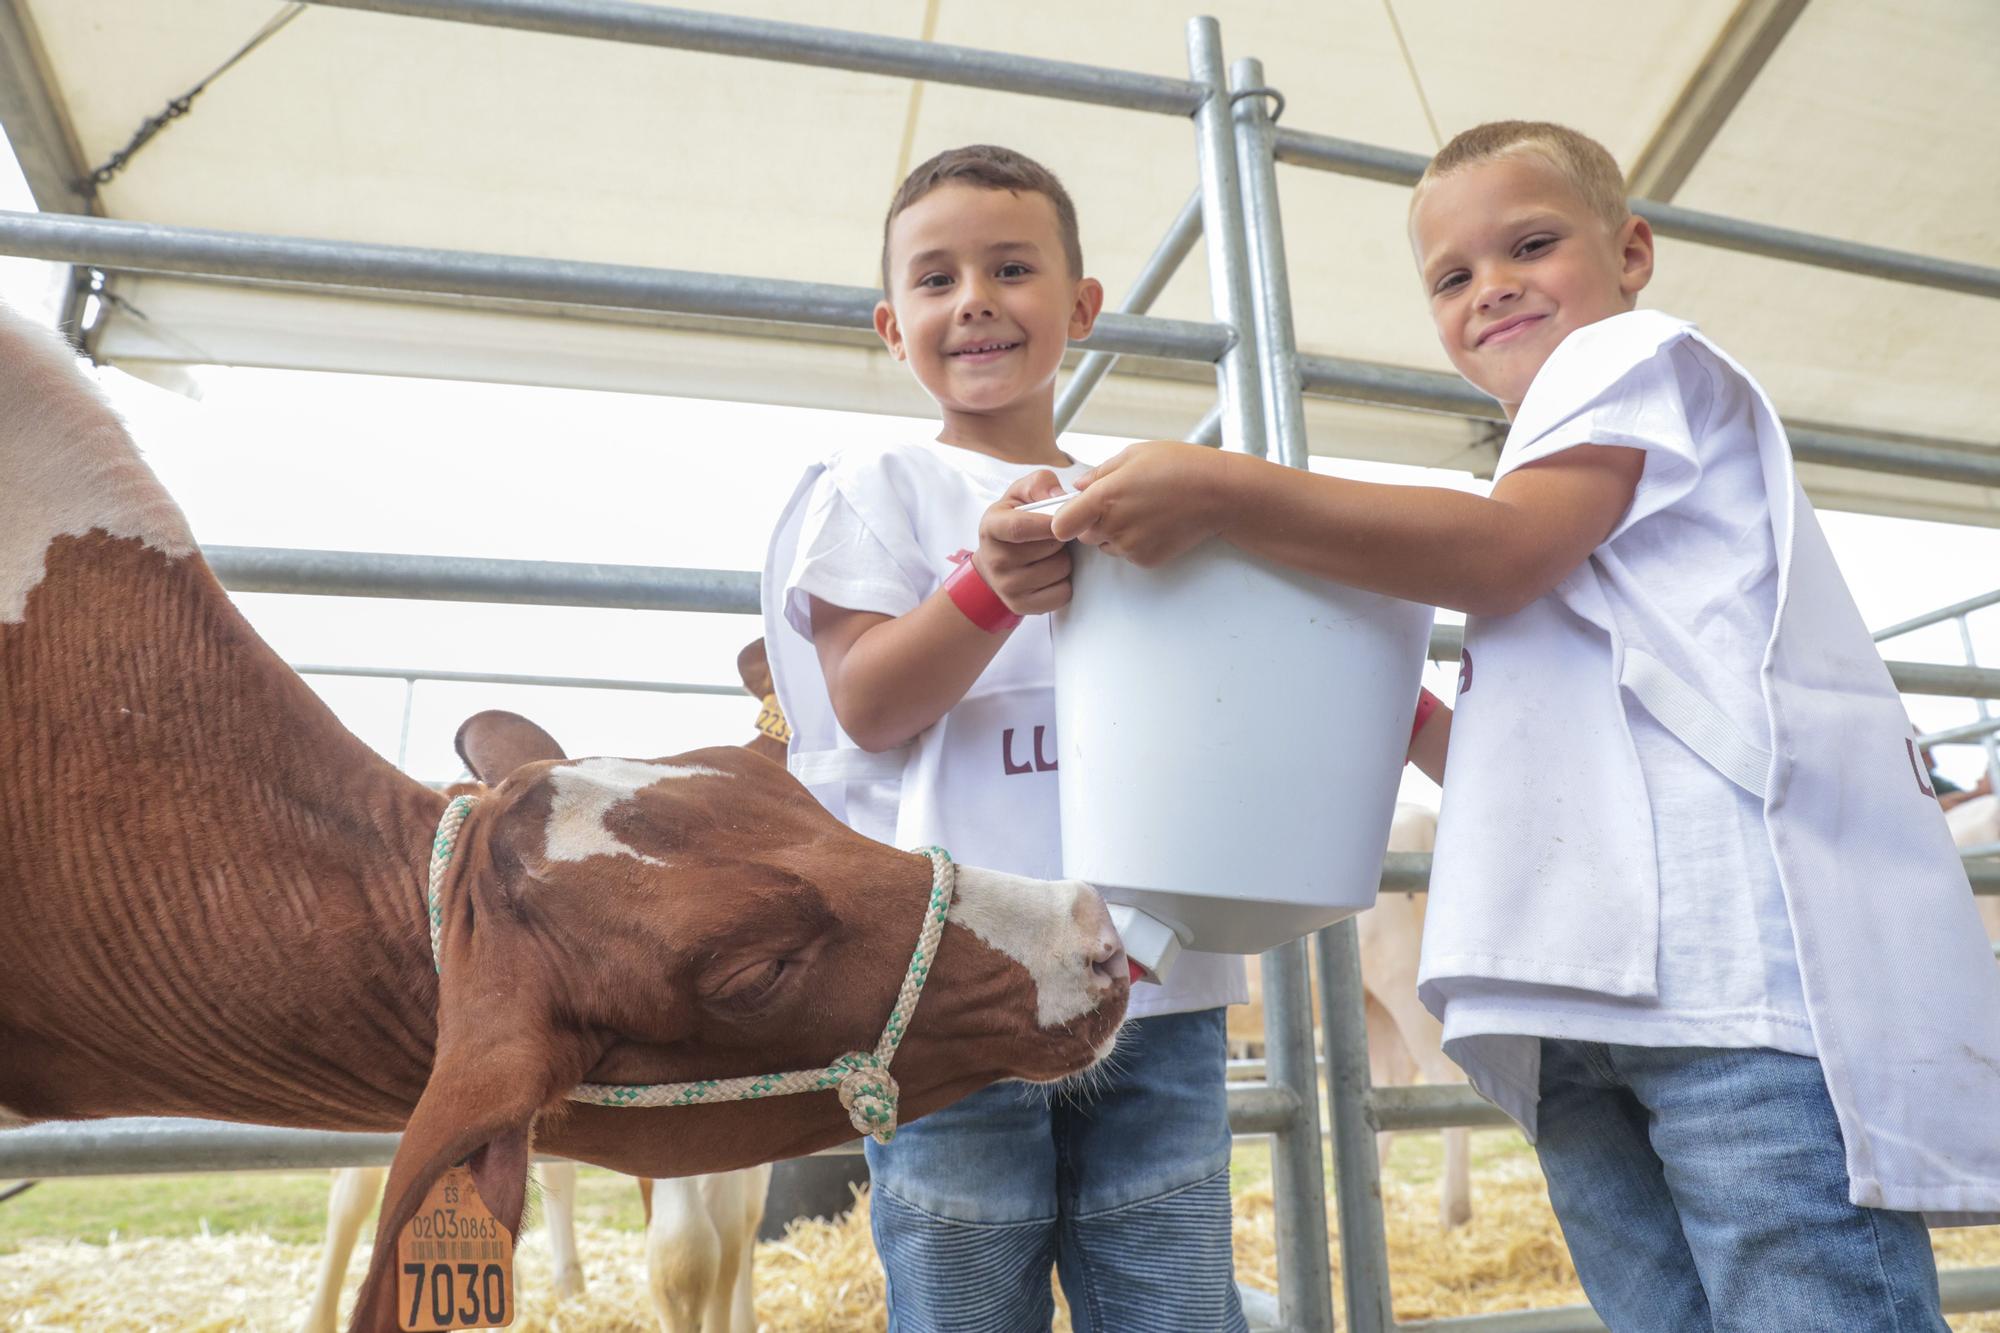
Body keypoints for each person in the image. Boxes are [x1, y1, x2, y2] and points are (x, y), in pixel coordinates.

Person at [1045, 120, 2000, 1331]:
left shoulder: (1632, 361)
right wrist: (1354, 690)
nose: (1489, 285)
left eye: (1530, 244)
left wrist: (1224, 489)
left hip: (1720, 985)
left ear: (1631, 251)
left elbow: (1497, 556)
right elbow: (1520, 751)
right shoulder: (1557, 467)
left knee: (1796, 1294)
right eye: (1449, 276)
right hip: (1578, 994)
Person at [760, 144, 1248, 1332]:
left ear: (1080, 307)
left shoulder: (1145, 490)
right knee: (964, 1281)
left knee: (1172, 1286)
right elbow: (869, 702)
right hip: (948, 981)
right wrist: (984, 587)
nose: (972, 298)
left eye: (1011, 267)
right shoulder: (875, 483)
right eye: (935, 280)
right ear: (892, 325)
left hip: (1152, 972)